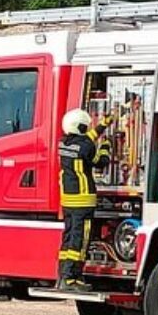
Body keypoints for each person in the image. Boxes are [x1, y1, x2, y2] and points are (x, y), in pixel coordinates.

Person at [57, 108, 112, 291]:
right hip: (83, 199)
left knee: (69, 236)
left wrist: (103, 125)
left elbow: (87, 138)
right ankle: (73, 278)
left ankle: (63, 275)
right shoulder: (86, 146)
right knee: (80, 240)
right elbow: (100, 161)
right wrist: (106, 146)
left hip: (68, 199)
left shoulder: (64, 143)